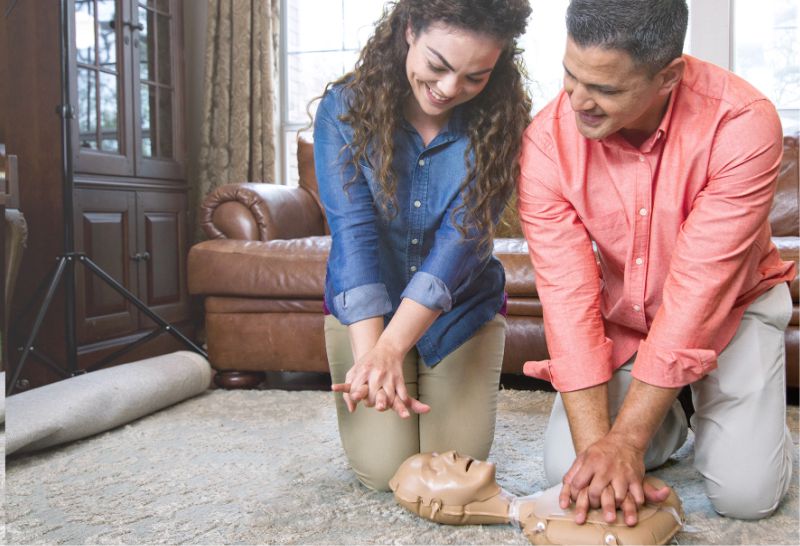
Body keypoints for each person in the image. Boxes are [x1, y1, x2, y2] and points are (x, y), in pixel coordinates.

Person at [517, 0, 795, 526]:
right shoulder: (547, 142)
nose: (577, 101)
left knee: (746, 496)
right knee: (568, 470)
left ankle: (730, 414)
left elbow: (699, 293)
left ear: (668, 76)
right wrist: (601, 453)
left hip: (733, 307)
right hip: (630, 318)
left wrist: (627, 441)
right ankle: (674, 413)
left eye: (604, 88)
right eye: (571, 75)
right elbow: (568, 301)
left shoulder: (741, 123)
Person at [313, 0, 532, 491]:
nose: (450, 88)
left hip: (459, 310)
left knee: (448, 470)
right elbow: (353, 235)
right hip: (367, 312)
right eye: (438, 65)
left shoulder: (502, 122)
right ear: (410, 29)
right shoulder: (343, 109)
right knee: (382, 472)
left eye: (475, 76)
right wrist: (373, 358)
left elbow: (461, 242)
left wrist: (396, 346)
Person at [389, 451, 685, 545]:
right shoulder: (544, 527)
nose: (450, 454)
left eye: (437, 453)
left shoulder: (541, 513)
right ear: (436, 508)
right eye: (434, 467)